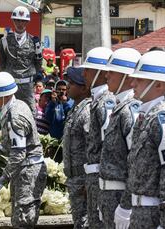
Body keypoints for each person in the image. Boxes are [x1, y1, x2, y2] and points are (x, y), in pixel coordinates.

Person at [0, 72, 47, 228]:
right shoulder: (16, 104)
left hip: (28, 172)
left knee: (23, 220)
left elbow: (19, 154)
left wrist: (1, 181)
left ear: (4, 95)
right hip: (24, 170)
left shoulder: (15, 116)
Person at [126, 51, 165, 229]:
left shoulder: (161, 119)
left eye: (140, 79)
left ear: (159, 84)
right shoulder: (145, 117)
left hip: (153, 215)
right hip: (139, 212)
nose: (132, 83)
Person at [96, 48, 142, 229]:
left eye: (112, 71)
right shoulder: (119, 107)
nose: (106, 75)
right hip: (109, 194)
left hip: (120, 194)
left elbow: (135, 162)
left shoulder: (130, 110)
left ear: (127, 76)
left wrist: (125, 206)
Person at [81, 46, 115, 229]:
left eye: (88, 69)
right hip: (95, 176)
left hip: (102, 178)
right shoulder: (97, 99)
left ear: (102, 73)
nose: (84, 74)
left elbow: (107, 146)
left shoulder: (105, 102)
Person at [0, 6, 42, 114]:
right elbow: (2, 64)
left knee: (30, 114)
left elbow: (38, 63)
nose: (20, 24)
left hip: (27, 86)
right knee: (8, 113)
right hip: (10, 85)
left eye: (23, 21)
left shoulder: (35, 42)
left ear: (27, 23)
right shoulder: (5, 41)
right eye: (17, 20)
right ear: (13, 21)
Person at [62, 66, 91, 228]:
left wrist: (88, 181)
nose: (67, 86)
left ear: (84, 88)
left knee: (84, 224)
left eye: (71, 83)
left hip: (82, 180)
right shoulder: (76, 109)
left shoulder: (87, 111)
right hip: (75, 179)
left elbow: (92, 148)